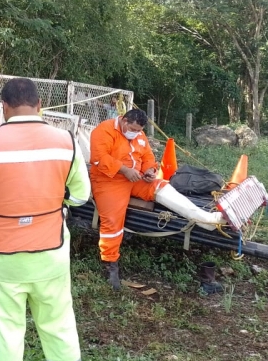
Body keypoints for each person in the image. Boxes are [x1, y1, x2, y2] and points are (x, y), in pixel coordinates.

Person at [0, 78, 91, 361]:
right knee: (60, 326)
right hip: (50, 254)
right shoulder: (66, 141)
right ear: (40, 105)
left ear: (3, 108)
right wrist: (55, 200)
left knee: (7, 330)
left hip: (3, 257)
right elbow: (81, 195)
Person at [89, 109, 225, 290]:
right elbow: (99, 158)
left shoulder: (139, 134)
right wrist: (124, 170)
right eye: (132, 128)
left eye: (138, 130)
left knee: (163, 187)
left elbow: (147, 156)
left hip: (136, 177)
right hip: (109, 180)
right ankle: (110, 264)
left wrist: (150, 171)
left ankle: (206, 219)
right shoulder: (104, 130)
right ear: (123, 120)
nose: (135, 133)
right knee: (112, 221)